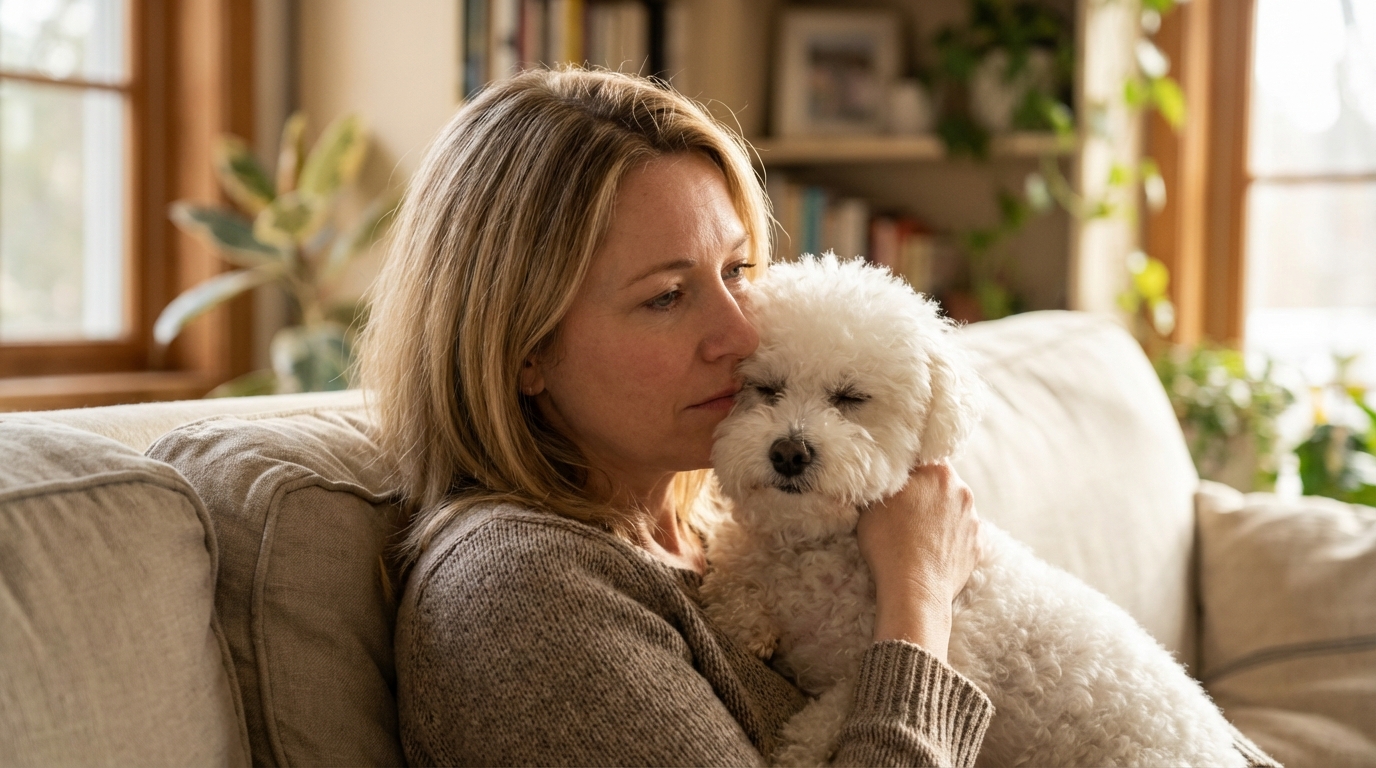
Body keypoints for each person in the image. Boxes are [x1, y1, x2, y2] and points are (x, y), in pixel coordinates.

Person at [359, 67, 990, 767]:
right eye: (666, 296)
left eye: (738, 271)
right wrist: (919, 599)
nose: (742, 336)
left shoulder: (738, 524)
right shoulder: (523, 596)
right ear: (523, 352)